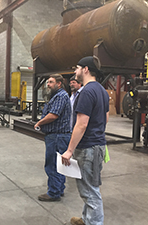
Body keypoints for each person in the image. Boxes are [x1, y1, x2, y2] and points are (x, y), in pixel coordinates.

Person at [61, 56, 109, 225]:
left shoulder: (87, 92)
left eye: (77, 68)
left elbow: (81, 124)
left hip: (88, 148)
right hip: (98, 145)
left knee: (89, 191)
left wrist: (69, 150)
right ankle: (86, 220)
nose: (75, 72)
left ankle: (94, 223)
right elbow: (106, 118)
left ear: (86, 69)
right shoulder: (102, 91)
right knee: (89, 186)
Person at [34, 74, 71, 202]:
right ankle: (58, 189)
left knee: (52, 165)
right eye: (48, 82)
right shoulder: (58, 96)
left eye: (50, 82)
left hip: (57, 136)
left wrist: (39, 123)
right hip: (58, 136)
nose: (48, 85)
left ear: (59, 83)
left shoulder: (60, 96)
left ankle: (54, 192)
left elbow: (53, 115)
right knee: (59, 165)